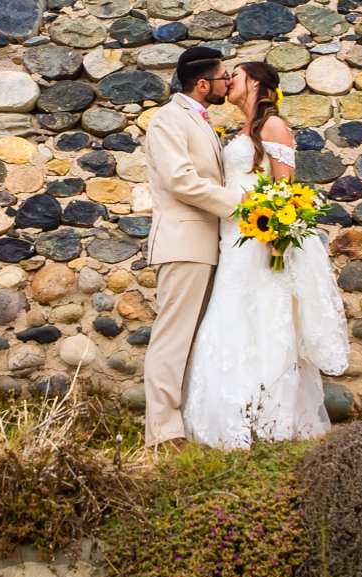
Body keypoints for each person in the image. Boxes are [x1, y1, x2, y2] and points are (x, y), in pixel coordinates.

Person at [182, 62, 349, 448]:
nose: (228, 82)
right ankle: (233, 420)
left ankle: (271, 421)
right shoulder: (240, 130)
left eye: (235, 75)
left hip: (259, 241)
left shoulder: (273, 126)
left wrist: (275, 232)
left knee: (263, 320)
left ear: (254, 82)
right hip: (232, 239)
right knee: (232, 317)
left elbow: (284, 190)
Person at [138, 45, 243, 446]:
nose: (228, 83)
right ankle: (162, 433)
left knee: (195, 338)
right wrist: (241, 205)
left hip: (208, 244)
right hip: (184, 243)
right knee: (173, 337)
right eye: (223, 77)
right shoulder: (167, 120)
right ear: (203, 84)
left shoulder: (201, 121)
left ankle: (186, 423)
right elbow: (180, 180)